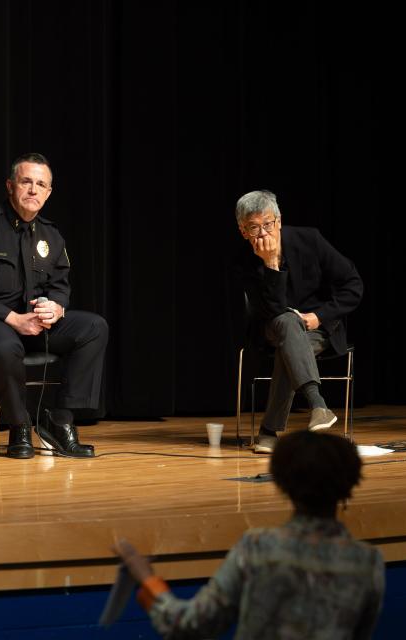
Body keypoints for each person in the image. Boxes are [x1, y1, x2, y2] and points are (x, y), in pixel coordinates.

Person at [114, 430, 384, 639]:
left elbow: (189, 625)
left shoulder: (258, 547)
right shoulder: (368, 562)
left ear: (281, 483)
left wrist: (147, 580)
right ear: (349, 485)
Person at [0, 153, 108, 459]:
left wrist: (56, 308)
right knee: (5, 344)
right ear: (10, 186)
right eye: (26, 181)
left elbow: (60, 285)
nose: (33, 189)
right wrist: (13, 319)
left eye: (41, 184)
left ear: (48, 193)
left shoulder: (51, 235)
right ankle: (19, 426)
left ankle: (60, 420)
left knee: (93, 327)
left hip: (29, 325)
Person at [234, 190, 363, 453]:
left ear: (279, 221)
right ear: (243, 231)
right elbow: (272, 312)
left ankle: (269, 432)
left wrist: (321, 316)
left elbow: (353, 284)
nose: (263, 234)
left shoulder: (309, 239)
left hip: (318, 329)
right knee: (286, 323)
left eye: (267, 224)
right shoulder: (243, 262)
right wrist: (270, 265)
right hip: (271, 328)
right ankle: (318, 404)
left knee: (289, 346)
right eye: (253, 228)